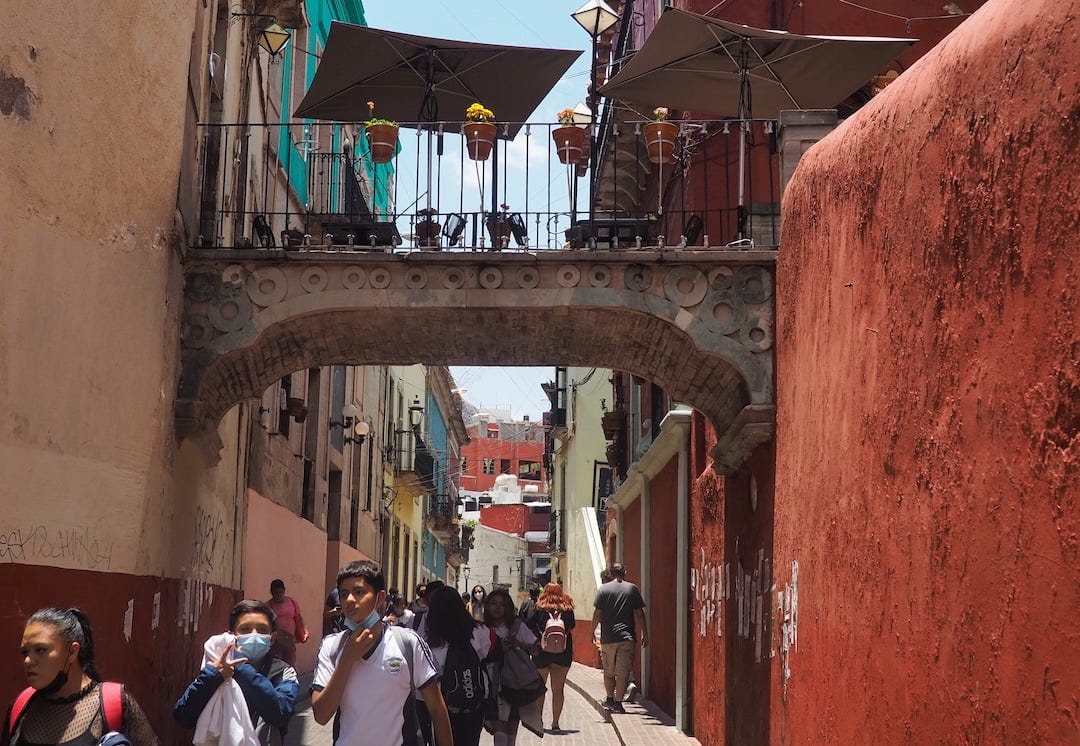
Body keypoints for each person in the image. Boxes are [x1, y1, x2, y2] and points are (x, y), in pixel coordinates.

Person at [311, 561, 453, 746]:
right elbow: (321, 715)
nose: (350, 600)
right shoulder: (332, 646)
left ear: (380, 598)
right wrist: (347, 660)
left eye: (359, 592)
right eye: (344, 594)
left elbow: (436, 708)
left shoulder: (407, 643)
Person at [4, 607, 158, 745]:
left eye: (41, 650)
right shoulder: (22, 707)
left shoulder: (114, 706)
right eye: (25, 652)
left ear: (72, 652)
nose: (28, 661)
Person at [173, 600, 298, 745]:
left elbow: (280, 713)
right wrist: (213, 677)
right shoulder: (217, 668)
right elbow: (183, 716)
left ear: (272, 638)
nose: (254, 635)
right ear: (232, 635)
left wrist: (240, 667)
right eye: (245, 629)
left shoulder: (283, 672)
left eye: (262, 630)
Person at [416, 586, 494, 746]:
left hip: (442, 708)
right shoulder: (479, 631)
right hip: (475, 706)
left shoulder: (431, 643)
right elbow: (488, 652)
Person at [483, 588, 544, 744]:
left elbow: (536, 649)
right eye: (493, 603)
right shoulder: (482, 629)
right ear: (487, 606)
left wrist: (519, 645)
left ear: (508, 607)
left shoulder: (517, 626)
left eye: (502, 604)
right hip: (491, 684)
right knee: (498, 724)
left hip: (514, 684)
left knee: (511, 725)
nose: (497, 608)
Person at [592, 563, 647, 714]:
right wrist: (645, 633)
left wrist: (592, 631)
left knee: (609, 672)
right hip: (626, 638)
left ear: (610, 573)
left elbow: (597, 613)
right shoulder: (632, 589)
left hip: (608, 638)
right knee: (622, 673)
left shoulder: (603, 589)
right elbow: (639, 613)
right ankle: (618, 702)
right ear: (625, 572)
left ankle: (610, 698)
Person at [525, 583, 576, 733]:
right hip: (563, 653)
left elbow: (528, 624)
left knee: (540, 689)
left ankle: (538, 721)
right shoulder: (567, 609)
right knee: (558, 690)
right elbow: (572, 625)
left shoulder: (539, 607)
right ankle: (555, 723)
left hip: (541, 653)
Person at [266, 579, 308, 666]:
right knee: (276, 665)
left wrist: (304, 632)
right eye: (276, 592)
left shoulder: (292, 602)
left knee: (290, 665)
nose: (278, 595)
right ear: (271, 592)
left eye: (280, 592)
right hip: (275, 643)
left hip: (289, 641)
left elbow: (298, 618)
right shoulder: (267, 606)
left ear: (284, 591)